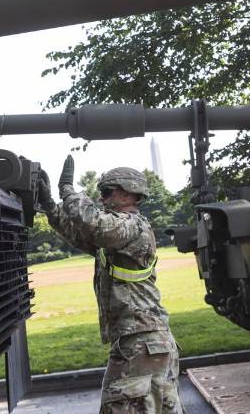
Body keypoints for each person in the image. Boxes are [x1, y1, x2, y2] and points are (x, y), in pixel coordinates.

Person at [36, 157, 182, 414]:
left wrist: (68, 191)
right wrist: (49, 204)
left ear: (127, 194)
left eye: (106, 192)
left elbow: (93, 223)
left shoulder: (132, 226)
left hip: (142, 343)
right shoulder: (117, 235)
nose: (102, 199)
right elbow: (79, 232)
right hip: (140, 342)